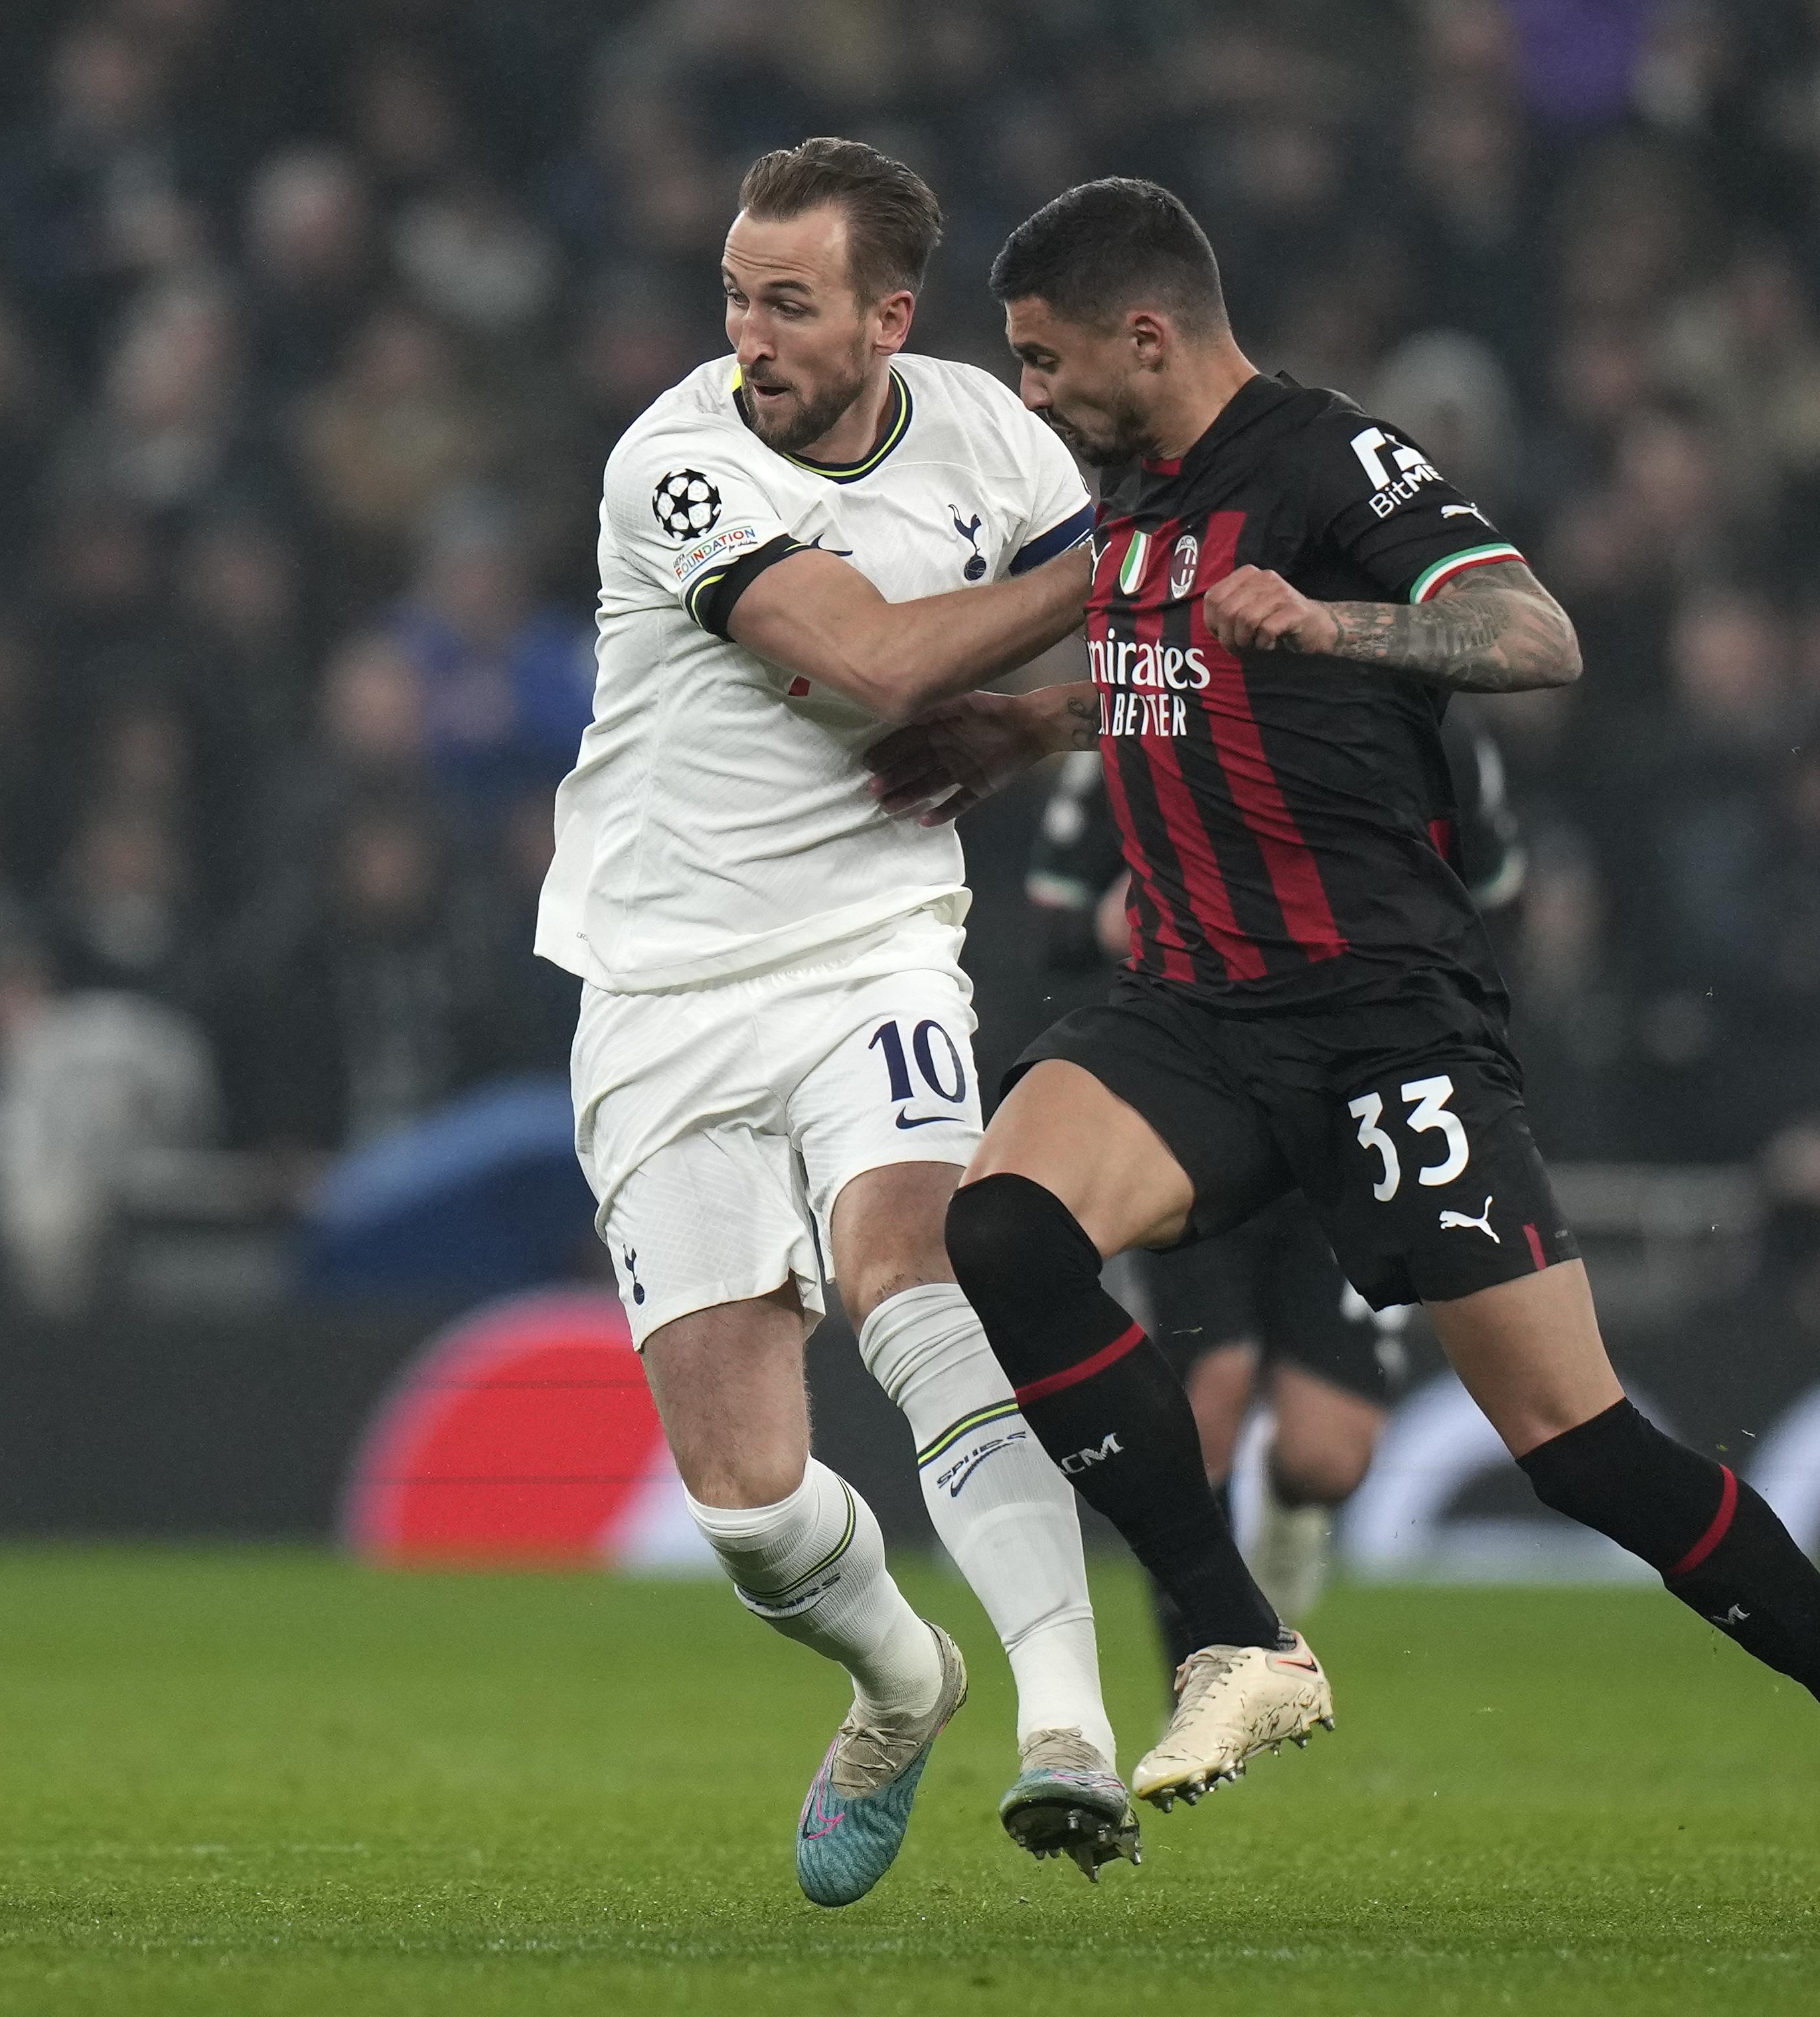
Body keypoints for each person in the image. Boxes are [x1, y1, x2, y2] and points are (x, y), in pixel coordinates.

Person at [867, 177, 1820, 1935]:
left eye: (1042, 361)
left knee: (1574, 1440)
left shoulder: (1334, 464)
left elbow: (1535, 634)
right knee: (1005, 1221)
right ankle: (1241, 1635)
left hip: (1384, 1021)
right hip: (1187, 1007)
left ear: (1145, 336)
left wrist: (1337, 623)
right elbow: (1161, 678)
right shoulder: (1131, 498)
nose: (1027, 397)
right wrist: (1014, 727)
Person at [532, 139, 1126, 1908]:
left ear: (888, 315)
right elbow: (869, 664)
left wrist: (1041, 716)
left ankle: (1068, 1725)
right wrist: (1111, 565)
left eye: (785, 303)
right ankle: (904, 1676)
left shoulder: (992, 438)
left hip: (871, 946)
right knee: (746, 1503)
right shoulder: (679, 459)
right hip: (656, 995)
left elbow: (1161, 665)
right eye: (733, 293)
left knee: (918, 1282)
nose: (747, 333)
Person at [1029, 713, 1526, 1663]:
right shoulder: (1151, 715)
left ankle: (1297, 1513)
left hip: (1351, 1119)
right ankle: (1208, 1668)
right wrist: (1146, 904)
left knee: (1325, 1454)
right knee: (1208, 1387)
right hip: (1196, 1109)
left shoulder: (1434, 737)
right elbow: (1051, 919)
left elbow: (1499, 915)